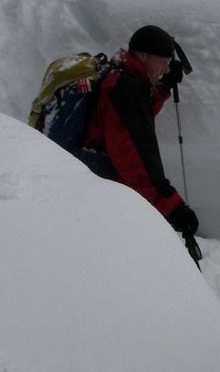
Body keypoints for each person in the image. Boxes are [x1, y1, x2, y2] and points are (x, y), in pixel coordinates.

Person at [83, 25, 199, 239]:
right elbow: (136, 156)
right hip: (98, 187)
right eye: (162, 62)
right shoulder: (124, 89)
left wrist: (163, 87)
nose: (166, 68)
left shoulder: (123, 76)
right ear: (143, 55)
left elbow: (138, 114)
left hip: (96, 177)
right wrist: (173, 207)